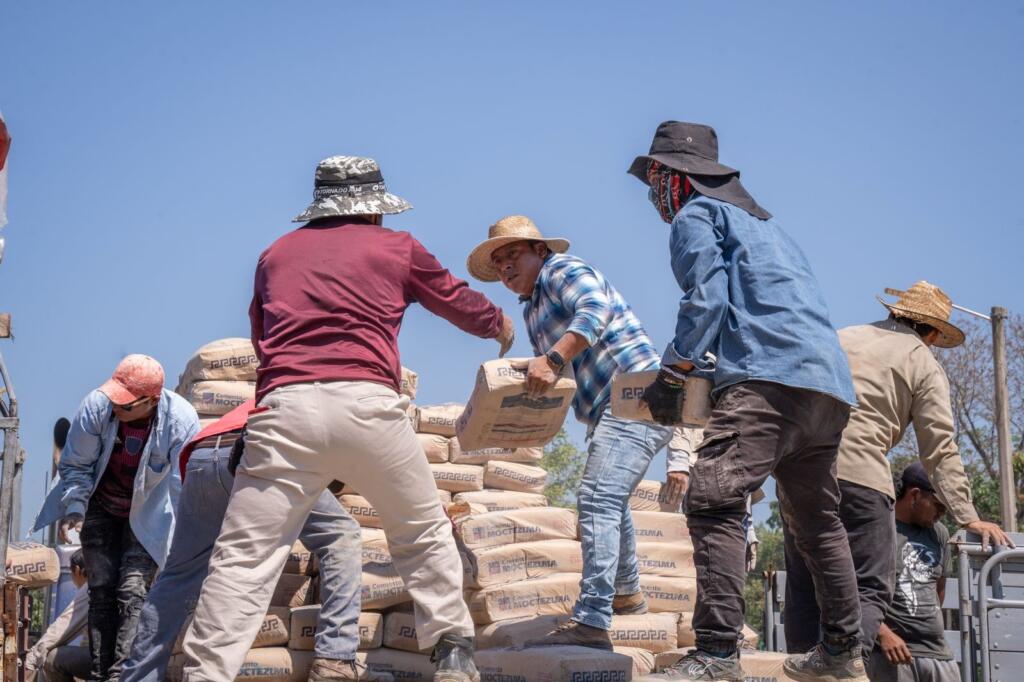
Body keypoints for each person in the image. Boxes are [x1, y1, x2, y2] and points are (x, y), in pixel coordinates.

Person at [177, 156, 514, 682]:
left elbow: (263, 338)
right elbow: (455, 300)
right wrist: (499, 325)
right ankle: (451, 650)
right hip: (367, 407)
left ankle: (205, 674)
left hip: (285, 411)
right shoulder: (397, 247)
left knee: (245, 557)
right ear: (374, 209)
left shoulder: (275, 255)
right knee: (421, 530)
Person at [630, 121, 865, 681]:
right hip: (826, 387)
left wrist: (673, 372)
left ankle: (715, 653)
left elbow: (706, 299)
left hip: (767, 383)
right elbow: (760, 312)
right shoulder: (769, 227)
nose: (650, 196)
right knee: (817, 521)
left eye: (653, 182)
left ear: (672, 178)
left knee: (712, 497)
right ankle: (840, 650)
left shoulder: (695, 215)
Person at [467, 214, 674, 649]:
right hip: (607, 409)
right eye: (498, 261)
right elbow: (550, 369)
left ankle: (594, 618)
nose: (505, 267)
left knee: (598, 496)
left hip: (635, 392)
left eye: (513, 254)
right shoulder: (532, 309)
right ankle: (627, 593)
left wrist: (553, 360)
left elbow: (593, 311)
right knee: (610, 498)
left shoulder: (563, 269)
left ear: (539, 251)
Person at [784, 281, 1012, 660]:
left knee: (806, 582)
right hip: (858, 478)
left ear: (893, 312)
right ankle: (842, 666)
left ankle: (799, 666)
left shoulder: (843, 336)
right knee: (871, 584)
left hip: (799, 473)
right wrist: (967, 516)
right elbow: (939, 447)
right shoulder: (922, 362)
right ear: (934, 334)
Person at [121, 400, 390, 682]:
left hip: (203, 456)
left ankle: (138, 675)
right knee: (340, 532)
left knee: (179, 575)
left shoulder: (280, 392)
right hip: (261, 451)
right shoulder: (348, 408)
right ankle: (336, 655)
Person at [32, 355, 199, 682]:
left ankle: (123, 676)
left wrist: (183, 542)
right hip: (101, 507)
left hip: (147, 513)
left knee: (133, 591)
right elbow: (76, 466)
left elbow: (182, 486)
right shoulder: (96, 407)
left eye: (125, 405)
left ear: (150, 401)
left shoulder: (180, 420)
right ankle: (99, 674)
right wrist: (76, 508)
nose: (116, 408)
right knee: (101, 591)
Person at [868, 463, 961, 682]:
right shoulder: (876, 528)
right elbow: (852, 591)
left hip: (939, 655)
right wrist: (882, 633)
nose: (941, 514)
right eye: (938, 505)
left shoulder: (939, 534)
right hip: (891, 656)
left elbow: (939, 592)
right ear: (915, 495)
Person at [25, 550, 92, 682]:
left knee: (52, 659)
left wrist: (32, 659)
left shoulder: (91, 587)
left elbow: (64, 625)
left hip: (109, 658)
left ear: (77, 570)